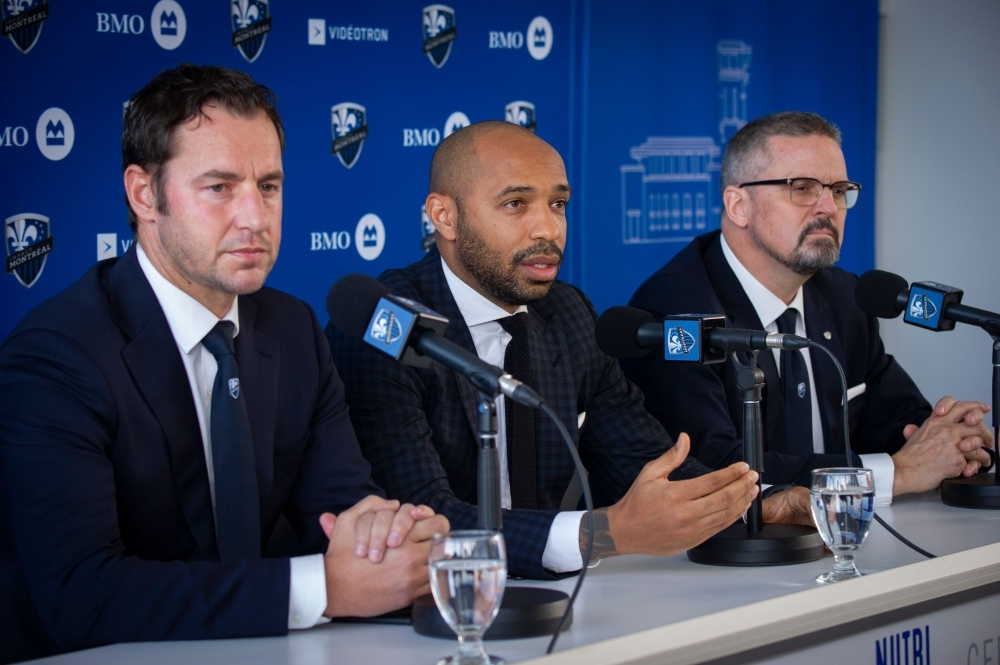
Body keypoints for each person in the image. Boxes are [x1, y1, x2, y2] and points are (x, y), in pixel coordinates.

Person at [0, 64, 447, 664]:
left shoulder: (292, 330)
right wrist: (326, 588)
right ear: (143, 194)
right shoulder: (57, 355)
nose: (255, 219)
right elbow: (83, 596)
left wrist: (393, 539)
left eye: (268, 186)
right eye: (219, 187)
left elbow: (342, 515)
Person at [327, 121, 811, 581]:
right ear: (443, 217)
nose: (547, 230)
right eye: (516, 204)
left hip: (557, 599)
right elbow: (422, 515)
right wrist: (602, 535)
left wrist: (762, 501)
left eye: (558, 204)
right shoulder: (385, 329)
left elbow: (641, 458)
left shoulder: (568, 312)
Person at [625, 111, 993, 501]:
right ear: (738, 206)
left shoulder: (846, 297)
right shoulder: (674, 309)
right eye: (802, 188)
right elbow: (716, 469)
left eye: (839, 190)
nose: (828, 207)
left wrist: (955, 440)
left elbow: (901, 423)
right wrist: (896, 474)